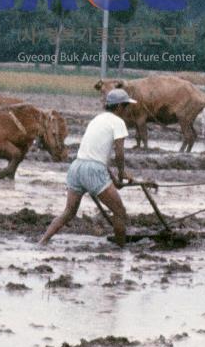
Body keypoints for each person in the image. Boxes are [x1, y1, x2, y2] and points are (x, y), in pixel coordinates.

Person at [40, 88, 135, 246]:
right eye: (126, 106)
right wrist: (122, 173)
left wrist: (114, 180)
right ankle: (121, 250)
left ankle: (43, 241)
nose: (127, 110)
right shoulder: (118, 123)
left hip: (77, 168)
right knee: (119, 212)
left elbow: (97, 156)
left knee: (68, 212)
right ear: (119, 107)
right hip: (93, 170)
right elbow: (119, 154)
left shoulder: (97, 119)